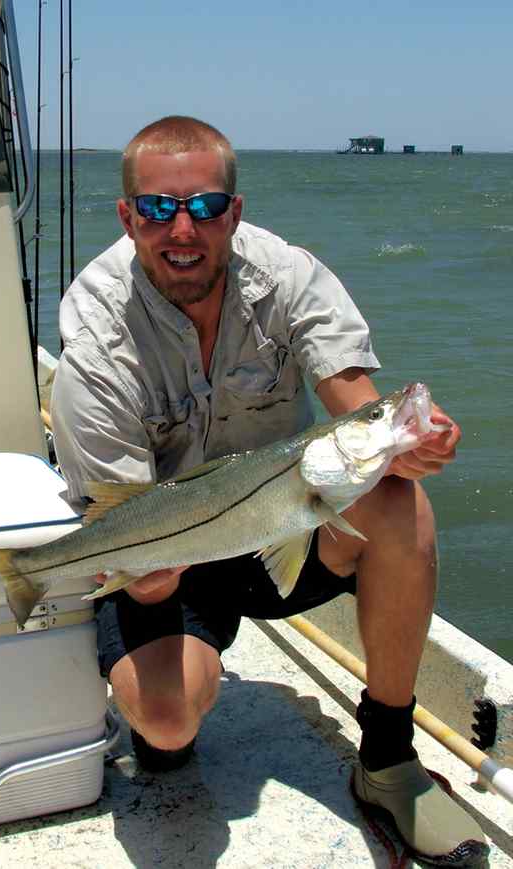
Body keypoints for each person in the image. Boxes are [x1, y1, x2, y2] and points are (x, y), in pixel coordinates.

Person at [51, 116, 487, 865]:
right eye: (158, 208)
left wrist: (408, 440)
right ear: (128, 217)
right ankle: (167, 697)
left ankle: (387, 759)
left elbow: (355, 399)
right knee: (165, 721)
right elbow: (122, 514)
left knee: (395, 500)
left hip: (281, 521)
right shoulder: (95, 336)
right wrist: (148, 580)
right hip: (167, 552)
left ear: (235, 212)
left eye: (206, 206)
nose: (183, 228)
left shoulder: (288, 276)